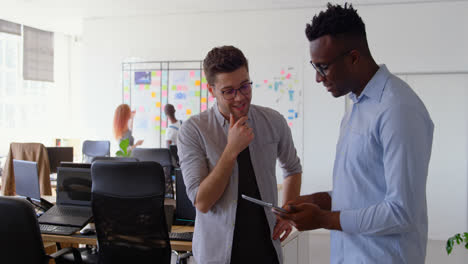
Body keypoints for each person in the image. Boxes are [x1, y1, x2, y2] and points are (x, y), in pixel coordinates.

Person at [274, 3, 434, 264]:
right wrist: (317, 201)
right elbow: (365, 192)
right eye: (314, 67)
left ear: (354, 58)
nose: (318, 78)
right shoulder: (357, 107)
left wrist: (323, 219)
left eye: (323, 67)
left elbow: (401, 211)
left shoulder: (397, 109)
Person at [178, 45, 302, 264]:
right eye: (228, 91)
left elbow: (292, 168)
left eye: (245, 86)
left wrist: (287, 211)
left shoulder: (273, 121)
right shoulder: (194, 130)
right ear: (212, 91)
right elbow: (202, 202)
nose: (240, 97)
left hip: (266, 250)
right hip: (218, 254)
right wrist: (231, 150)